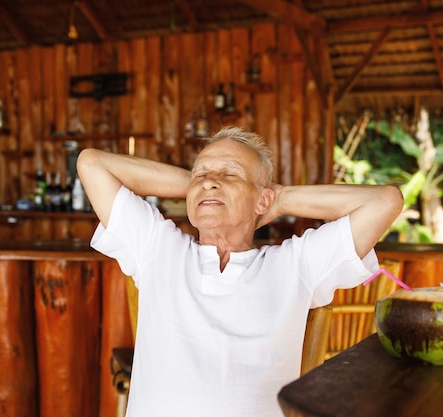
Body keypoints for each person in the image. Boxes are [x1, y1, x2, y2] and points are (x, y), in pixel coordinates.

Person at [77, 126, 403, 417]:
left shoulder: (296, 264)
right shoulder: (157, 246)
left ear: (263, 200)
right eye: (200, 173)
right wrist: (202, 185)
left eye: (230, 174)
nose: (209, 180)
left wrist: (279, 198)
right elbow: (92, 163)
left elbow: (384, 201)